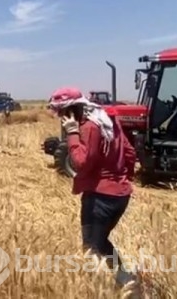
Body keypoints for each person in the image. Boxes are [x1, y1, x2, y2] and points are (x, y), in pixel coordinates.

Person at [47, 87, 139, 289]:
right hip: (120, 196)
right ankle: (126, 279)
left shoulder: (89, 127)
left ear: (70, 111)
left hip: (100, 198)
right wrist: (123, 179)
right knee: (101, 241)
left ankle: (112, 287)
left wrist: (72, 133)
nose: (60, 118)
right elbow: (130, 152)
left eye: (61, 113)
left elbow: (80, 162)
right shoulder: (106, 119)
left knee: (91, 247)